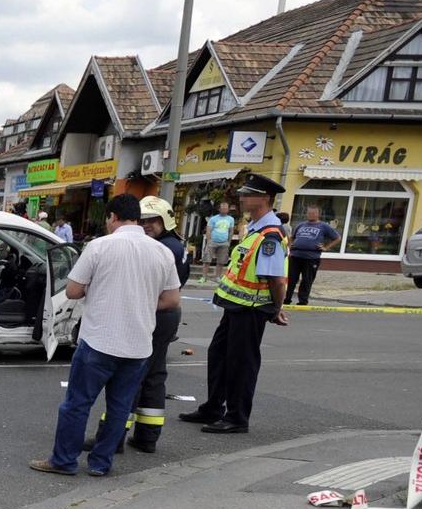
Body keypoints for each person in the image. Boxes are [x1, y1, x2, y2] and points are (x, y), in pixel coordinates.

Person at [30, 194, 181, 478]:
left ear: (112, 217)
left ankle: (64, 460)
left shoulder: (99, 246)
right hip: (138, 346)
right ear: (137, 218)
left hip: (99, 340)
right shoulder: (162, 252)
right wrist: (143, 302)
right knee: (120, 407)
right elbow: (172, 299)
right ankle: (101, 463)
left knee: (77, 404)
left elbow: (73, 291)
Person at [180, 174, 289, 434]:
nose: (241, 198)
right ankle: (213, 407)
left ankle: (237, 418)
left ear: (264, 199)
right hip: (236, 307)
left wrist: (276, 309)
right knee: (218, 356)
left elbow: (276, 279)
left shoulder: (270, 235)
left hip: (251, 311)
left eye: (246, 194)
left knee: (241, 363)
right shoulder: (256, 229)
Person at [86, 196, 192, 455]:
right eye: (143, 220)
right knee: (153, 375)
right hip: (165, 313)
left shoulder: (166, 248)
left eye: (152, 221)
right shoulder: (170, 245)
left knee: (130, 377)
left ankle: (113, 437)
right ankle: (147, 436)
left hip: (157, 312)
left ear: (165, 221)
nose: (146, 225)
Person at [285, 206, 340, 306]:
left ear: (318, 214)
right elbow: (291, 237)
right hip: (295, 256)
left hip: (311, 258)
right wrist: (290, 244)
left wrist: (326, 247)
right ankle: (287, 299)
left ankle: (302, 301)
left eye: (313, 213)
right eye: (309, 213)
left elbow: (337, 238)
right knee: (291, 278)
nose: (311, 215)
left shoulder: (323, 226)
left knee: (307, 279)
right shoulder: (301, 225)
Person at [202, 201, 236, 281]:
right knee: (207, 260)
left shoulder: (231, 219)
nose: (224, 210)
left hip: (224, 242)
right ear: (219, 209)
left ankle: (217, 277)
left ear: (228, 209)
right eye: (222, 208)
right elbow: (208, 230)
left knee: (221, 261)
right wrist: (209, 241)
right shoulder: (213, 219)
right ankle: (204, 277)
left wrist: (229, 242)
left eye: (226, 208)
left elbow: (231, 231)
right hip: (212, 241)